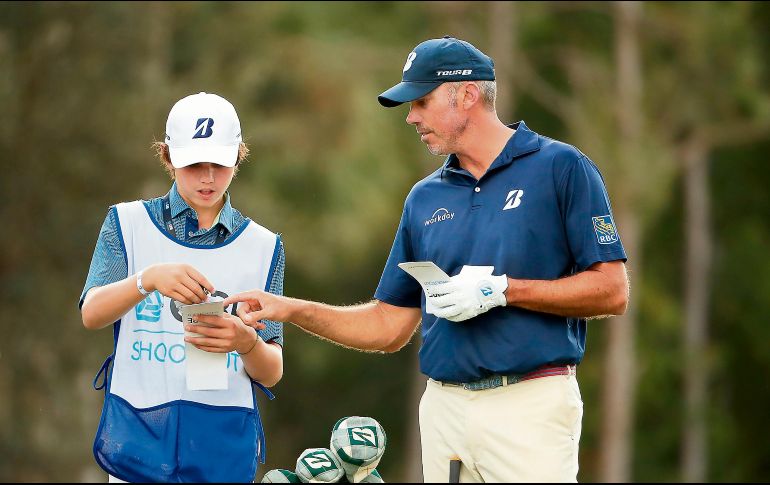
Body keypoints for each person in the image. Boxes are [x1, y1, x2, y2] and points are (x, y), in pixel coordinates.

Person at [225, 37, 628, 482]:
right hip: (444, 411)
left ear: (468, 95)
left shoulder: (560, 168)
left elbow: (612, 289)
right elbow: (388, 325)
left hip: (529, 405)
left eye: (421, 101)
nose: (411, 117)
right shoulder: (425, 198)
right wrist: (292, 309)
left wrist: (504, 291)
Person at [80, 92, 284, 483]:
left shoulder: (264, 245)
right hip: (139, 433)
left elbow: (272, 370)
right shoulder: (127, 222)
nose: (208, 178)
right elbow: (92, 312)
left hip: (220, 438)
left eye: (219, 163)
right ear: (169, 157)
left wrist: (245, 343)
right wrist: (147, 280)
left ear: (238, 156)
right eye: (194, 164)